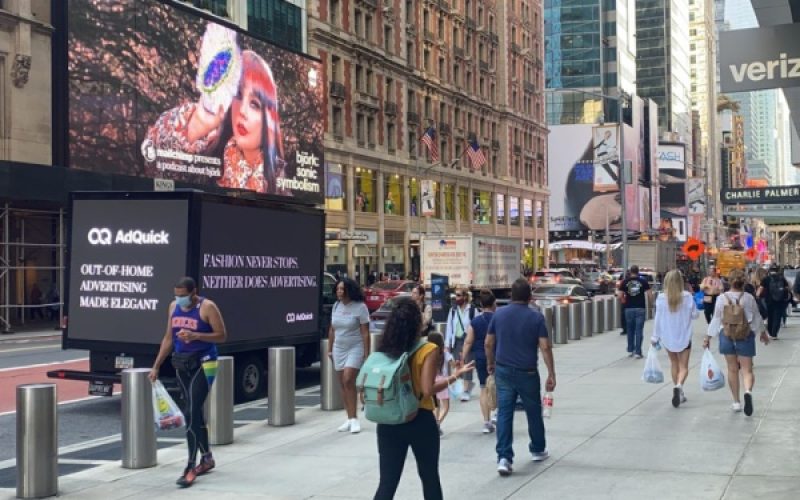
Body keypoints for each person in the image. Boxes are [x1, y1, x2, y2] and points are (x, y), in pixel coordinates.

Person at [144, 41, 287, 195]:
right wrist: (198, 122)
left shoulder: (283, 186)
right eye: (238, 95)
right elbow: (155, 170)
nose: (242, 111)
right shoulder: (208, 158)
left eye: (255, 104)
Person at [373, 297, 473, 500]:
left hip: (389, 420)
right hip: (420, 418)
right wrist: (454, 376)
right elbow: (428, 389)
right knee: (429, 477)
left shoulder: (384, 350)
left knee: (387, 483)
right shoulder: (427, 350)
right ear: (417, 322)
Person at [149, 277, 227, 488]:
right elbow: (168, 338)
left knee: (191, 410)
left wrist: (196, 335)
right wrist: (156, 365)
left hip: (205, 363)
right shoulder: (173, 307)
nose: (179, 298)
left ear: (195, 292)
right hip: (182, 363)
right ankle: (207, 458)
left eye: (184, 295)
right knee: (193, 412)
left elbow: (222, 336)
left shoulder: (207, 307)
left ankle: (191, 465)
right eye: (177, 294)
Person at [485, 278, 555, 477]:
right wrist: (551, 373)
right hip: (528, 372)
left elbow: (489, 343)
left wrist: (490, 363)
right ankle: (538, 449)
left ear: (510, 296)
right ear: (530, 296)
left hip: (504, 370)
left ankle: (504, 458)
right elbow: (544, 346)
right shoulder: (536, 317)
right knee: (533, 411)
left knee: (505, 412)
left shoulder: (498, 315)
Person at [705, 269, 770, 416]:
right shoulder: (749, 298)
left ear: (729, 281)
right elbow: (757, 317)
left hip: (726, 336)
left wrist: (708, 337)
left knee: (732, 369)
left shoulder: (722, 298)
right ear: (744, 282)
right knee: (747, 370)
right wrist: (763, 333)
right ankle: (747, 391)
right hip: (745, 335)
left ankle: (736, 402)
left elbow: (716, 319)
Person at [326, 278, 370, 434]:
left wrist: (367, 353)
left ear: (349, 291)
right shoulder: (336, 306)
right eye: (337, 289)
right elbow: (332, 329)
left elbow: (365, 332)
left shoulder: (360, 307)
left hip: (355, 347)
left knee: (348, 379)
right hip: (339, 348)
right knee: (343, 384)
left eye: (342, 289)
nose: (339, 292)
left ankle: (355, 419)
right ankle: (349, 417)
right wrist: (330, 349)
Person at [651, 270, 698, 408]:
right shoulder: (687, 296)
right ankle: (679, 386)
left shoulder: (660, 298)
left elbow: (657, 319)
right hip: (684, 335)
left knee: (674, 363)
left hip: (667, 336)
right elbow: (695, 315)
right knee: (684, 366)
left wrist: (655, 336)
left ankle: (678, 389)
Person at [460, 289, 497, 433]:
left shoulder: (475, 322)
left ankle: (486, 422)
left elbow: (468, 342)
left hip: (480, 358)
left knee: (483, 388)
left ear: (481, 305)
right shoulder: (499, 319)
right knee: (500, 387)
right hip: (498, 357)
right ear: (494, 303)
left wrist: (463, 358)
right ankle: (497, 414)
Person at [444, 287, 478, 401]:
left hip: (468, 339)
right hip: (457, 340)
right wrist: (447, 344)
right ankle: (465, 387)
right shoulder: (453, 310)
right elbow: (449, 327)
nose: (456, 298)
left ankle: (466, 390)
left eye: (458, 295)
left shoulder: (472, 309)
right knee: (458, 365)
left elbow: (476, 325)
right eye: (455, 295)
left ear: (465, 297)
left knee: (467, 364)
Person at [618, 265, 651, 358]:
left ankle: (631, 349)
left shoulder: (624, 282)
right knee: (639, 330)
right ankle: (638, 351)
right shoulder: (643, 281)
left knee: (630, 330)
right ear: (638, 271)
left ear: (630, 271)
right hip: (640, 308)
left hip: (628, 308)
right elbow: (649, 294)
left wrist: (624, 301)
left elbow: (620, 295)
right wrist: (651, 305)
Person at [427, 331, 452, 436]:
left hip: (432, 380)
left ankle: (434, 423)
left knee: (435, 405)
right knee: (445, 407)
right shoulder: (445, 353)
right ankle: (437, 424)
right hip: (443, 382)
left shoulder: (428, 353)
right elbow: (454, 364)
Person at [758, 265, 790, 340]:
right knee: (777, 317)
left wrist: (757, 296)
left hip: (769, 301)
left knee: (770, 316)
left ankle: (770, 332)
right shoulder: (782, 279)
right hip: (780, 301)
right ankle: (774, 334)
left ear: (769, 270)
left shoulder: (766, 279)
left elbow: (760, 289)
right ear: (777, 270)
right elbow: (787, 288)